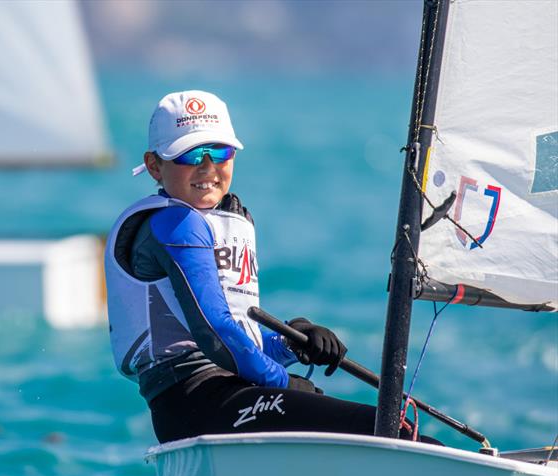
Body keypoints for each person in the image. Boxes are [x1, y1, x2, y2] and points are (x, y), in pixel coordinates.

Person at [104, 90, 440, 445]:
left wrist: (291, 342)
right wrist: (283, 382)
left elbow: (237, 333)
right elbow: (215, 334)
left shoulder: (209, 222)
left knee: (383, 427)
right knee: (400, 435)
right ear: (155, 165)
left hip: (215, 400)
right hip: (199, 401)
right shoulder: (175, 224)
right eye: (189, 155)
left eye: (219, 152)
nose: (207, 167)